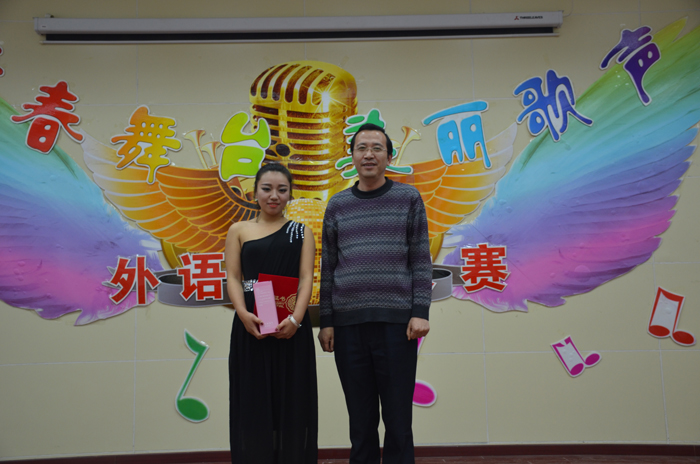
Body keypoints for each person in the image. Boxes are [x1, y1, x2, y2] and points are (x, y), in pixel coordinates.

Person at [318, 123, 433, 464]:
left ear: (389, 156)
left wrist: (420, 312)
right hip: (348, 326)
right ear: (351, 155)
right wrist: (327, 321)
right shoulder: (337, 205)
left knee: (398, 420)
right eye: (362, 148)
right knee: (360, 420)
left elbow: (420, 258)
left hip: (397, 325)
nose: (369, 154)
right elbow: (328, 265)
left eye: (377, 148)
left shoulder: (408, 199)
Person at [225, 163, 318, 464]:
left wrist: (295, 320)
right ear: (255, 192)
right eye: (267, 189)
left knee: (292, 399)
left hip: (291, 329)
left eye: (282, 189)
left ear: (290, 194)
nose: (274, 195)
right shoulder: (238, 230)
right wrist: (242, 313)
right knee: (253, 400)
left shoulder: (301, 231)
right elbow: (233, 277)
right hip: (251, 326)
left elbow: (306, 278)